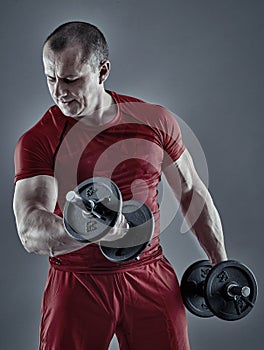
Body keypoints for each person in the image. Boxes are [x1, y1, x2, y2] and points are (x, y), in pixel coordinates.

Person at [13, 21, 227, 350]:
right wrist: (89, 231)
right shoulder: (39, 139)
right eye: (51, 78)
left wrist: (220, 265)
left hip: (149, 275)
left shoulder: (154, 121)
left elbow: (191, 192)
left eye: (71, 79)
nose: (60, 91)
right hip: (77, 283)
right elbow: (30, 228)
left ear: (102, 71)